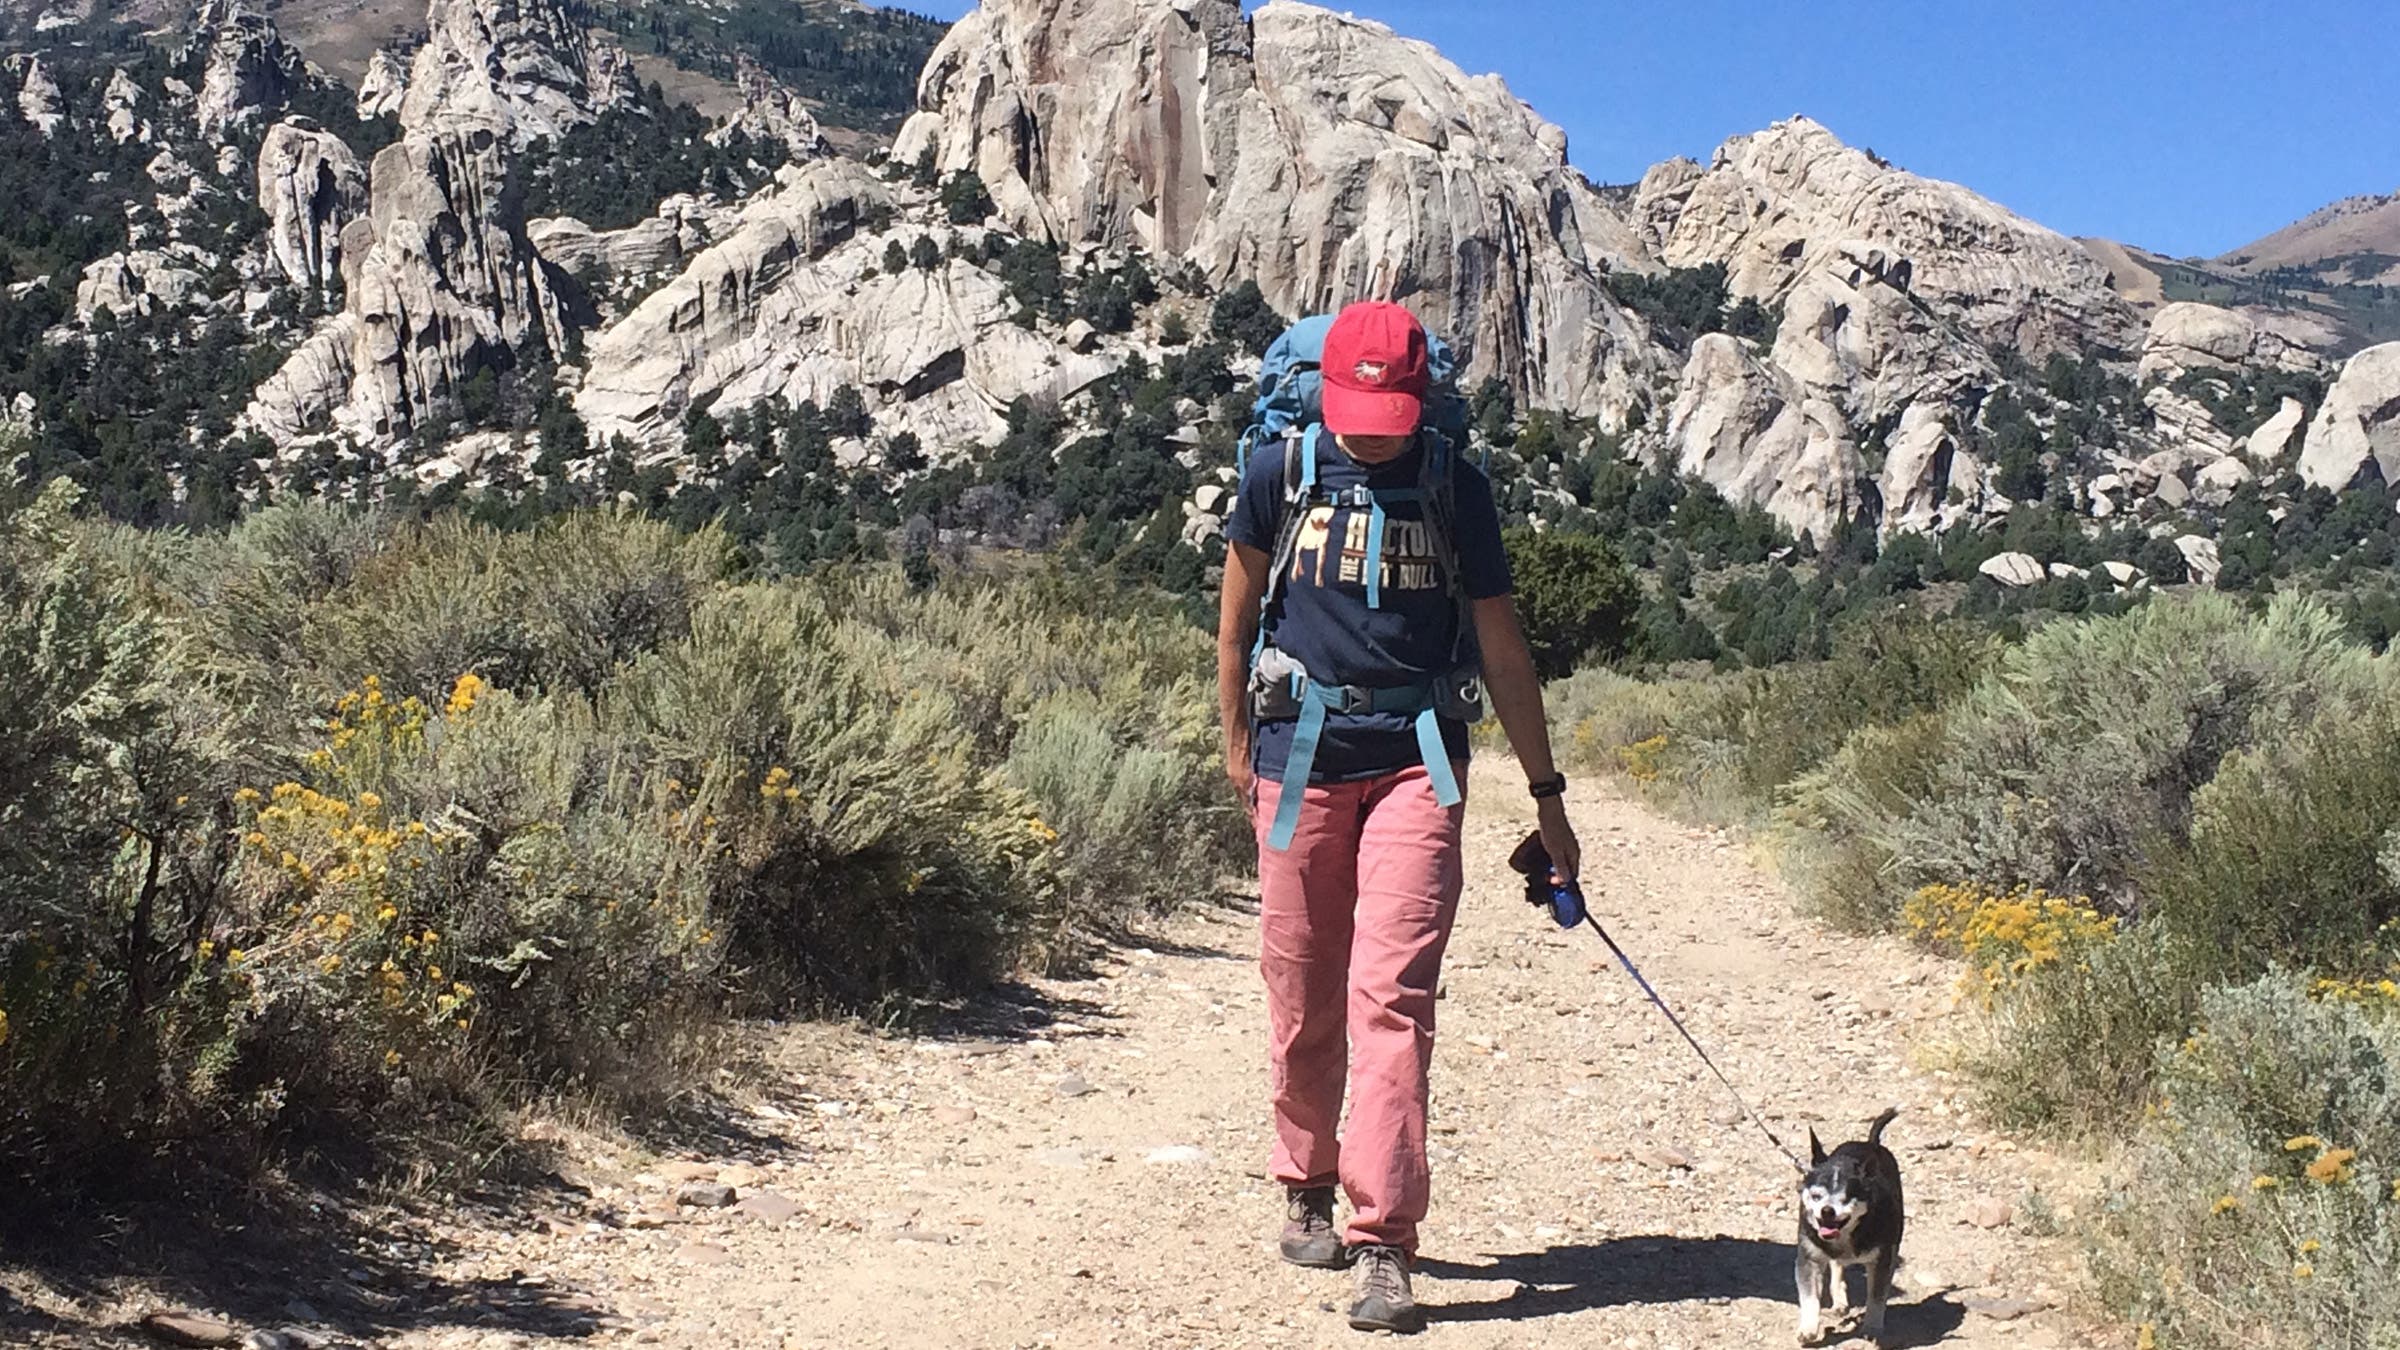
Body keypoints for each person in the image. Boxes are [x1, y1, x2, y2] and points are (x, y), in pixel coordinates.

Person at [1216, 300, 1583, 1334]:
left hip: (1420, 764)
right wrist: (1238, 751)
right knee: (1300, 988)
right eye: (1357, 411)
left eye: (1390, 411)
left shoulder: (1453, 484)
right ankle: (1304, 1176)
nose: (1372, 431)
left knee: (1394, 998)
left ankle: (1385, 1244)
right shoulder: (1279, 472)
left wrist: (1549, 798)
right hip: (1300, 766)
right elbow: (1236, 619)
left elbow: (1504, 649)